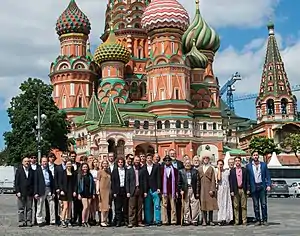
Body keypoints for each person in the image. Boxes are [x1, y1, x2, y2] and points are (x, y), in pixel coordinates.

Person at [246, 151, 271, 226]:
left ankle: (265, 219)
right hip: (254, 187)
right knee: (256, 205)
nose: (255, 156)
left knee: (263, 204)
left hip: (262, 186)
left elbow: (268, 176)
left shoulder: (263, 165)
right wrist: (248, 188)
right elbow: (247, 179)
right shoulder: (248, 166)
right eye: (254, 155)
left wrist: (268, 185)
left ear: (258, 156)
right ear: (252, 156)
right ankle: (258, 220)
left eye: (257, 155)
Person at [198, 150, 218, 226]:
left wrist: (212, 189)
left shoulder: (211, 168)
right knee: (203, 205)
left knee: (210, 205)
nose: (205, 159)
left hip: (209, 188)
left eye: (207, 158)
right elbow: (197, 181)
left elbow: (213, 179)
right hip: (202, 189)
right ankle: (204, 220)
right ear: (202, 159)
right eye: (204, 158)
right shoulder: (199, 169)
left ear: (209, 159)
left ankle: (211, 220)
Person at [34, 157, 55, 227]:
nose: (45, 163)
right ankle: (39, 221)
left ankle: (52, 220)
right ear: (41, 163)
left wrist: (53, 191)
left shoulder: (49, 171)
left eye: (46, 161)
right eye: (43, 161)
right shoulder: (37, 171)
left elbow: (52, 181)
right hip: (41, 190)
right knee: (40, 206)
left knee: (52, 205)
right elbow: (35, 182)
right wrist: (36, 192)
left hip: (49, 189)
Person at [178, 159, 200, 226]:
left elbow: (197, 182)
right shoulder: (181, 171)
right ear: (184, 164)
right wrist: (180, 190)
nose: (187, 164)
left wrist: (197, 191)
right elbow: (179, 182)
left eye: (189, 163)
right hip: (185, 189)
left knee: (195, 205)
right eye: (186, 163)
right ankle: (186, 220)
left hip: (193, 189)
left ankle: (194, 220)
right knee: (186, 205)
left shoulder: (195, 171)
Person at [142, 153, 162, 226]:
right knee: (147, 206)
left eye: (150, 158)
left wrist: (159, 187)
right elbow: (143, 180)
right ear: (146, 159)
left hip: (155, 189)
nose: (149, 159)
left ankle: (157, 220)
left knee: (157, 206)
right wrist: (144, 191)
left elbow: (158, 178)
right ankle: (148, 220)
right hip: (147, 190)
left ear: (152, 159)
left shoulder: (156, 167)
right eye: (148, 158)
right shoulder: (143, 167)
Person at [15, 157, 35, 227]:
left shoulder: (32, 171)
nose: (27, 163)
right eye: (25, 161)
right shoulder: (19, 170)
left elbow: (33, 183)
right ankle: (21, 221)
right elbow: (16, 182)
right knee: (21, 208)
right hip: (21, 193)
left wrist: (33, 192)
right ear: (22, 162)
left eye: (28, 161)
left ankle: (29, 221)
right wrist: (17, 191)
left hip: (30, 193)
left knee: (29, 209)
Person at [229, 156, 249, 226]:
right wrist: (231, 190)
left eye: (239, 161)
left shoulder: (244, 170)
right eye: (236, 161)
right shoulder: (232, 171)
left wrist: (248, 189)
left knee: (244, 206)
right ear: (234, 162)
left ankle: (244, 220)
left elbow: (247, 180)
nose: (237, 162)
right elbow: (231, 181)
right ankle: (236, 221)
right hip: (235, 190)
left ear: (240, 162)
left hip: (243, 189)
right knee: (236, 206)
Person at [126, 156, 145, 228]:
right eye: (136, 160)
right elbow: (127, 181)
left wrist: (144, 191)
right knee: (132, 207)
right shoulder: (129, 170)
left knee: (139, 207)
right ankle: (131, 222)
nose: (137, 161)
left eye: (138, 160)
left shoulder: (141, 170)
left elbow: (144, 181)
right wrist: (127, 191)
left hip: (139, 189)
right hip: (132, 190)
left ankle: (139, 221)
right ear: (133, 161)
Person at [161, 155, 178, 225]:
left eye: (168, 160)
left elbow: (177, 181)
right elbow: (159, 180)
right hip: (164, 190)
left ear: (171, 161)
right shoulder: (161, 170)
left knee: (173, 206)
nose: (167, 161)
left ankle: (173, 220)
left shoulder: (175, 170)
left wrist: (176, 191)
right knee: (164, 206)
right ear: (164, 161)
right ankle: (165, 220)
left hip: (172, 190)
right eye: (166, 160)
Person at [59, 159, 77, 227]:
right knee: (65, 206)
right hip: (64, 191)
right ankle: (62, 220)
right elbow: (60, 182)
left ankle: (68, 219)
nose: (69, 166)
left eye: (70, 164)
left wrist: (75, 191)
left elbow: (75, 183)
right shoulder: (63, 172)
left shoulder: (73, 173)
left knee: (70, 207)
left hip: (71, 191)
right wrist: (61, 190)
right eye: (68, 164)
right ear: (66, 165)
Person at [77, 163, 96, 227]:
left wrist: (93, 193)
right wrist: (79, 193)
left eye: (86, 167)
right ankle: (83, 221)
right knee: (85, 207)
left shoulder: (90, 175)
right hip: (83, 193)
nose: (85, 168)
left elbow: (93, 185)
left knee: (88, 208)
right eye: (84, 167)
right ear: (82, 168)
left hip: (89, 192)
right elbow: (78, 185)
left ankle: (87, 220)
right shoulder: (80, 175)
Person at [111, 157, 128, 227]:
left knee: (125, 206)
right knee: (117, 207)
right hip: (117, 190)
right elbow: (113, 182)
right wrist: (114, 192)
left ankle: (125, 220)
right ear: (117, 163)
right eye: (119, 162)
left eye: (121, 162)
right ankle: (118, 221)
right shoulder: (114, 171)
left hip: (124, 189)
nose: (120, 163)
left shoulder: (126, 170)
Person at [216, 159, 233, 225]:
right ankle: (221, 218)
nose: (220, 166)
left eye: (221, 164)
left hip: (227, 189)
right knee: (221, 204)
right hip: (220, 190)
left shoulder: (227, 171)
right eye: (219, 164)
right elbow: (219, 179)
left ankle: (227, 218)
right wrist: (219, 170)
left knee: (227, 204)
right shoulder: (217, 172)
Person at [96, 160, 111, 227]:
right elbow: (98, 181)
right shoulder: (100, 172)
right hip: (102, 190)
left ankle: (105, 220)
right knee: (103, 206)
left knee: (107, 206)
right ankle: (102, 220)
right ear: (102, 165)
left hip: (108, 190)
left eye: (106, 164)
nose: (105, 165)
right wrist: (97, 190)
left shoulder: (109, 172)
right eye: (104, 164)